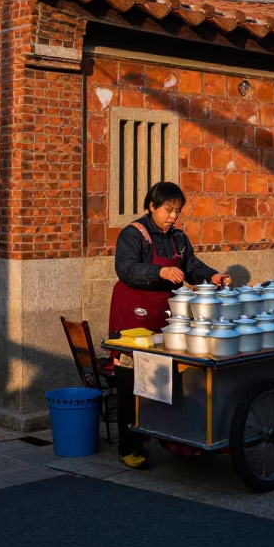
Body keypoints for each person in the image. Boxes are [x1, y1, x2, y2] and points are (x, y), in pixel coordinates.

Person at [108, 181, 231, 469]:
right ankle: (129, 447)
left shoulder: (178, 239)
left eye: (177, 211)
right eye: (168, 209)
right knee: (132, 379)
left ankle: (170, 438)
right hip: (133, 317)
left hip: (164, 315)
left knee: (167, 378)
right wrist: (160, 271)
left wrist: (212, 276)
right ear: (151, 206)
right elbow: (125, 269)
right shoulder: (133, 234)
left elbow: (193, 267)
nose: (173, 216)